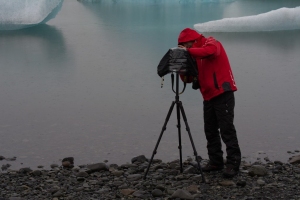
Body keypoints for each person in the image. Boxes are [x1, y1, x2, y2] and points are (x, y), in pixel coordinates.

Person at [177, 28, 241, 178]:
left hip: (223, 92)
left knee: (227, 130)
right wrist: (182, 68)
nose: (186, 48)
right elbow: (189, 79)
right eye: (183, 47)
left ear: (192, 40)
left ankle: (233, 163)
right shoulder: (195, 55)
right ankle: (215, 162)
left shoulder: (211, 42)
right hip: (208, 96)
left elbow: (212, 52)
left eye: (186, 45)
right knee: (210, 130)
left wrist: (188, 53)